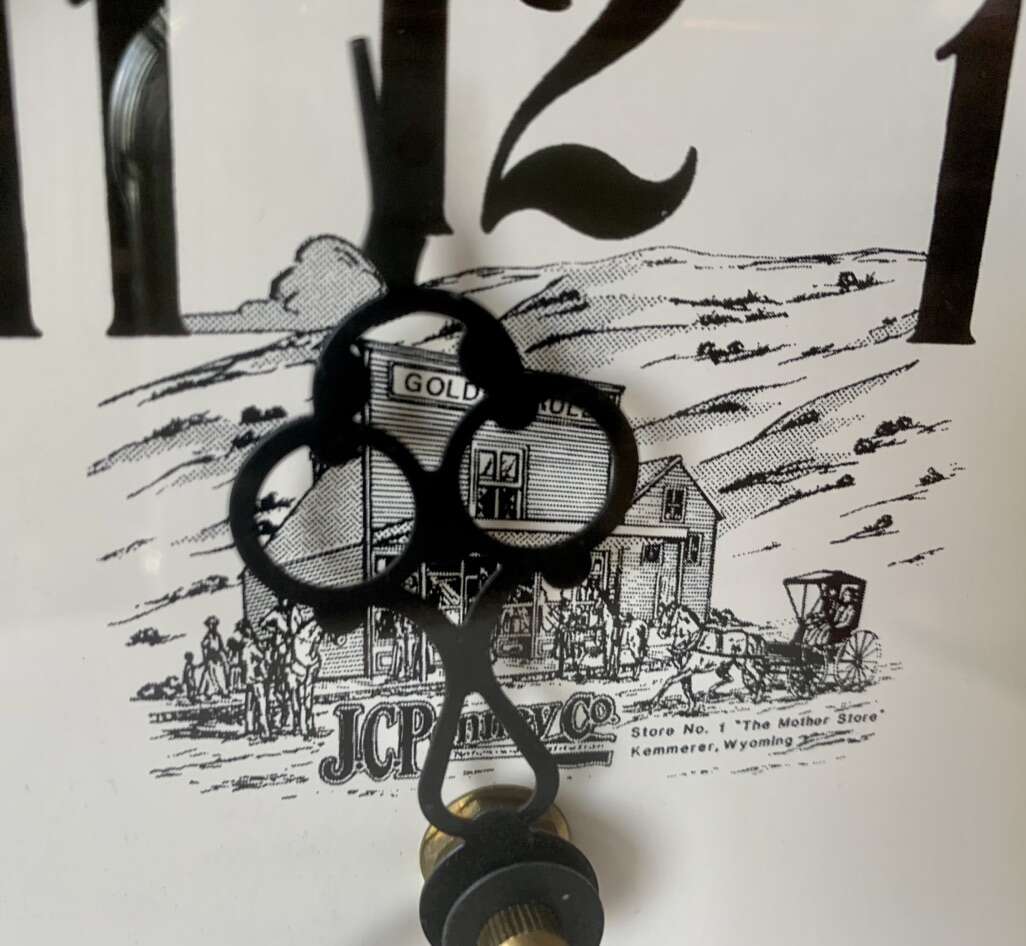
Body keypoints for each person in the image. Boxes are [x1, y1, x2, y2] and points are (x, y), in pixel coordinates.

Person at [237, 620, 270, 739]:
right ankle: (254, 730)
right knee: (254, 705)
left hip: (253, 680)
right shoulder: (247, 648)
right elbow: (257, 659)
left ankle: (261, 730)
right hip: (252, 680)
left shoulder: (249, 648)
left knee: (256, 705)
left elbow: (260, 659)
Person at [198, 615, 229, 699]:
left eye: (213, 624)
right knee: (210, 673)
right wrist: (205, 657)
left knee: (219, 674)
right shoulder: (208, 636)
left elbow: (221, 647)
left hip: (218, 657)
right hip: (210, 657)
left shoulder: (218, 635)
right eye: (210, 624)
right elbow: (203, 646)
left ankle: (222, 690)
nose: (212, 626)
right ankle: (209, 691)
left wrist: (225, 655)